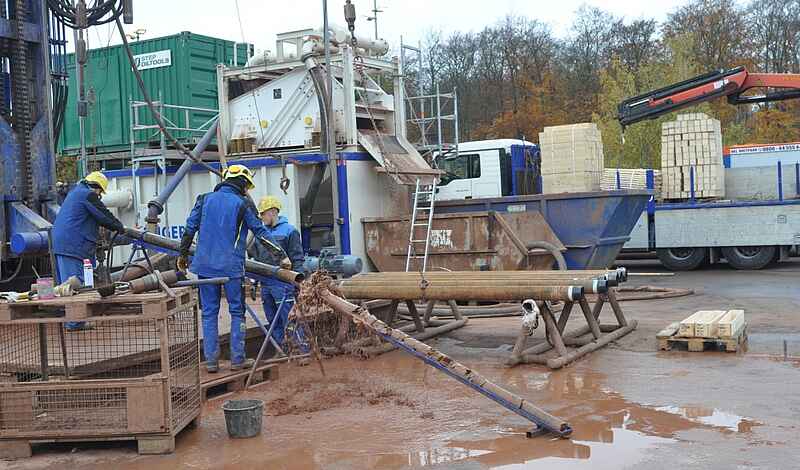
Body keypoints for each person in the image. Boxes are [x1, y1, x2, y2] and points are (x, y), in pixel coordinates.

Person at [178, 165, 283, 373]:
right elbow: (260, 232)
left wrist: (182, 254)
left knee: (209, 312)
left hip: (205, 266)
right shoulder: (242, 204)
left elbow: (190, 228)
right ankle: (237, 359)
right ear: (243, 183)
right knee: (236, 311)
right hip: (231, 268)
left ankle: (211, 362)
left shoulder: (204, 199)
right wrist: (281, 256)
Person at [52, 171, 125, 331]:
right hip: (72, 245)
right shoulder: (87, 195)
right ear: (96, 187)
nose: (99, 196)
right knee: (74, 283)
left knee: (68, 284)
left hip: (65, 243)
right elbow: (103, 215)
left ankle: (74, 321)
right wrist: (119, 226)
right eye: (100, 192)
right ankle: (74, 323)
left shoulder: (76, 193)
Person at [247, 196, 306, 353]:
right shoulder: (261, 233)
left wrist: (298, 282)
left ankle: (301, 351)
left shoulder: (290, 231)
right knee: (273, 320)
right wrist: (254, 283)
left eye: (263, 213)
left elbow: (297, 258)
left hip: (283, 284)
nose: (261, 217)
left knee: (289, 318)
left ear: (273, 212)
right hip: (266, 284)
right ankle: (283, 351)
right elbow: (256, 259)